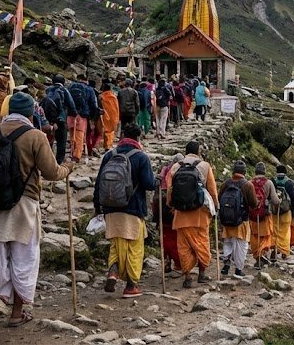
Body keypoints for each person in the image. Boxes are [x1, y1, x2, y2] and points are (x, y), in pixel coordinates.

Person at [0, 90, 73, 326]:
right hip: (23, 204)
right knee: (24, 258)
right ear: (31, 113)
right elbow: (51, 172)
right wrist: (68, 167)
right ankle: (17, 313)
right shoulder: (35, 136)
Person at [93, 124, 154, 298]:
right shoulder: (141, 157)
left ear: (122, 135)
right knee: (134, 247)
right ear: (138, 138)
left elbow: (99, 183)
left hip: (111, 209)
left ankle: (113, 273)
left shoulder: (109, 155)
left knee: (116, 245)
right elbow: (149, 184)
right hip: (133, 209)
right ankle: (131, 286)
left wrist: (97, 207)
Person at [166, 141, 217, 288]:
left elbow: (170, 190)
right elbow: (212, 190)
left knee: (184, 247)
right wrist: (216, 206)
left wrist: (170, 204)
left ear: (185, 151)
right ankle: (202, 274)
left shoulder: (175, 167)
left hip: (181, 214)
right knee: (202, 243)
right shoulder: (205, 166)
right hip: (200, 214)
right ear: (198, 152)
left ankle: (187, 277)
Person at [219, 161, 259, 277]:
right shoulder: (247, 185)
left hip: (226, 220)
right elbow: (253, 204)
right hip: (241, 220)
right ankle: (238, 268)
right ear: (244, 172)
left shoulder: (226, 183)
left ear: (233, 171)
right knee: (241, 245)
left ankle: (226, 263)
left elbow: (219, 198)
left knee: (228, 242)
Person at [154, 154, 182, 274]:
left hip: (161, 208)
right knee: (175, 238)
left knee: (165, 237)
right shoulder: (180, 173)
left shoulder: (164, 170)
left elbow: (155, 195)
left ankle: (167, 261)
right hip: (173, 209)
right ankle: (178, 263)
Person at [249, 163, 280, 268]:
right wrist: (279, 201)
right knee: (266, 236)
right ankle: (261, 253)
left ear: (255, 171)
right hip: (265, 214)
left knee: (254, 236)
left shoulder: (250, 183)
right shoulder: (268, 183)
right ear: (264, 171)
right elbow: (275, 200)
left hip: (252, 216)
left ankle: (257, 257)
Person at [45, 75, 76, 164]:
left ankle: (47, 159)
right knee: (61, 140)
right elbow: (71, 104)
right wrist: (73, 114)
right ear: (63, 82)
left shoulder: (48, 90)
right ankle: (59, 161)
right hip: (60, 118)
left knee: (48, 139)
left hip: (48, 119)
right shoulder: (64, 90)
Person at [67, 74, 97, 162]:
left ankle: (72, 153)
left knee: (72, 135)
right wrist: (92, 117)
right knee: (80, 136)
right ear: (86, 80)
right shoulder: (89, 89)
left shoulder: (70, 87)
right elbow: (93, 104)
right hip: (82, 116)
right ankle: (77, 156)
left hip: (71, 115)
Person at [271, 165, 294, 261]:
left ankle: (275, 249)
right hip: (286, 210)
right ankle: (284, 251)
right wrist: (293, 210)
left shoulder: (273, 181)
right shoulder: (289, 182)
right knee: (285, 231)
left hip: (275, 209)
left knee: (275, 230)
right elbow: (293, 198)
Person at [99, 82, 119, 149]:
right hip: (114, 116)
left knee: (105, 130)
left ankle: (105, 145)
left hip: (104, 115)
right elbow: (116, 107)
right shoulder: (114, 97)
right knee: (111, 131)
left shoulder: (101, 97)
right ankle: (109, 145)